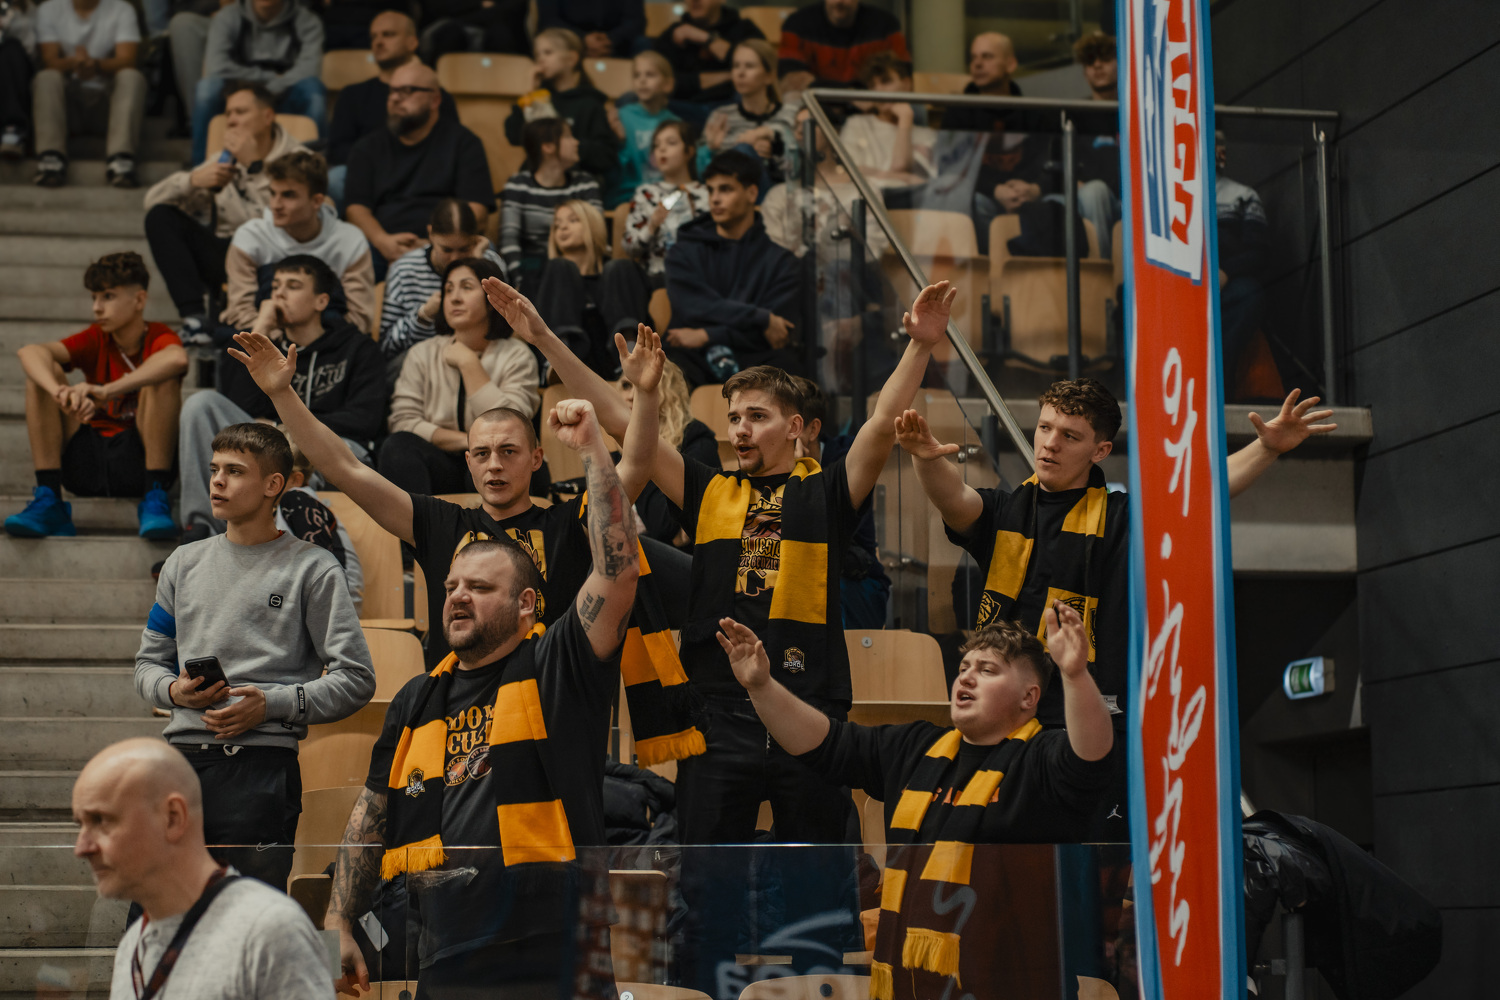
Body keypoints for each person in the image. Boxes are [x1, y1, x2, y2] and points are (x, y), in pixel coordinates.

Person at [481, 276, 958, 993]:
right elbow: (619, 417)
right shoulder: (709, 490)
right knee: (705, 905)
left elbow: (883, 420)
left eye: (757, 416)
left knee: (819, 899)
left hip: (808, 716)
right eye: (733, 416)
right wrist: (543, 338)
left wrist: (919, 346)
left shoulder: (826, 491)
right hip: (718, 720)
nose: (739, 429)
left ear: (796, 428)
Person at [897, 377, 1338, 838]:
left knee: (1087, 858)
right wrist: (925, 458)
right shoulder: (1006, 511)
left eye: (1070, 436)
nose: (1050, 443)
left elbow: (1196, 495)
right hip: (1003, 723)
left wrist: (1266, 448)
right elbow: (955, 500)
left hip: (1083, 728)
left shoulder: (1122, 518)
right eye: (1045, 428)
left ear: (1101, 450)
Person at [324, 450, 642, 998]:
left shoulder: (560, 664)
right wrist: (338, 919)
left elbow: (619, 572)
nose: (458, 597)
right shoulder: (417, 698)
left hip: (555, 939)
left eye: (479, 587)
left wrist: (593, 447)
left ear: (526, 604)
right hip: (445, 942)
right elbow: (373, 813)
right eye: (451, 587)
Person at [717, 603, 1113, 998]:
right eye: (964, 667)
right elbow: (824, 743)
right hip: (911, 986)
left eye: (987, 670)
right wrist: (762, 687)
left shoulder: (1042, 758)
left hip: (1016, 986)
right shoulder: (914, 748)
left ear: (1029, 697)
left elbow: (1091, 756)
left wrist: (1075, 676)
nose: (967, 677)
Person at [135, 421, 376, 890]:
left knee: (247, 919)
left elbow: (357, 678)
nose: (217, 482)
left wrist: (271, 704)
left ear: (273, 484)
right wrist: (175, 692)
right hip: (181, 764)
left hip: (261, 769)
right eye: (214, 469)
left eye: (235, 471)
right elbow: (147, 664)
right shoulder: (182, 563)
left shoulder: (314, 568)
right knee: (158, 916)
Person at [74, 739, 335, 1000]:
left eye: (102, 821)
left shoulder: (270, 930)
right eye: (80, 824)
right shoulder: (132, 945)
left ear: (173, 817)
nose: (81, 847)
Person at [179, 255, 385, 542]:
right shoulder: (269, 350)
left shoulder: (357, 348)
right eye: (275, 286)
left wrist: (284, 427)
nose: (279, 294)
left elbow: (365, 418)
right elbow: (239, 406)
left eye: (293, 286)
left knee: (299, 453)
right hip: (273, 446)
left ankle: (285, 527)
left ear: (321, 301)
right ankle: (200, 532)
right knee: (200, 405)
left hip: (337, 446)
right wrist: (261, 328)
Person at [6, 252, 186, 540]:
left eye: (108, 297)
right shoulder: (96, 337)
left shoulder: (158, 336)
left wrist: (107, 390)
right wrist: (59, 392)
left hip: (138, 462)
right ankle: (49, 498)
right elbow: (29, 352)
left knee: (162, 375)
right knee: (43, 372)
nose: (97, 308)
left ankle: (155, 497)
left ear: (139, 300)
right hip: (87, 461)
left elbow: (177, 359)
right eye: (94, 298)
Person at [143, 82, 308, 343]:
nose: (230, 120)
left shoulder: (300, 159)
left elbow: (284, 222)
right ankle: (195, 319)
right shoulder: (224, 158)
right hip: (228, 254)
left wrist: (254, 167)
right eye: (228, 113)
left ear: (267, 116)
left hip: (277, 256)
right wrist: (193, 181)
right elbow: (150, 201)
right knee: (160, 217)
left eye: (240, 112)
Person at [381, 256, 541, 497]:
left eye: (466, 287)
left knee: (495, 462)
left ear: (491, 300)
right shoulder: (422, 353)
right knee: (397, 447)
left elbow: (512, 427)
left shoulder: (516, 355)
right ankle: (414, 524)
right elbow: (403, 421)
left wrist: (469, 364)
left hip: (498, 464)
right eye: (448, 290)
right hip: (439, 464)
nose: (454, 298)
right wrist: (470, 443)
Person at [661, 149, 802, 385]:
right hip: (692, 356)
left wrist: (707, 334)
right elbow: (692, 308)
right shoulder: (682, 251)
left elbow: (779, 333)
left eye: (725, 189)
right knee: (668, 368)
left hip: (753, 356)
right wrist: (760, 317)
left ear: (752, 193)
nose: (715, 199)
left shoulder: (782, 262)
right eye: (711, 190)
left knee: (789, 370)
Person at [345, 60, 494, 277]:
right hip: (382, 245)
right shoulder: (367, 147)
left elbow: (477, 211)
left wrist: (436, 244)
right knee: (350, 253)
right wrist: (383, 241)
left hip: (448, 245)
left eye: (406, 91)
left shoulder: (464, 143)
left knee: (488, 255)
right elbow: (356, 208)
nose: (395, 98)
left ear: (435, 100)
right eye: (392, 91)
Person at [222, 150, 377, 336]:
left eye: (288, 195)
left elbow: (360, 318)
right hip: (267, 338)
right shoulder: (250, 237)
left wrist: (313, 344)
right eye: (273, 193)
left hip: (331, 343)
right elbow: (240, 310)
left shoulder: (350, 240)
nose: (276, 205)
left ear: (317, 201)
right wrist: (283, 342)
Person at [326, 12, 458, 206]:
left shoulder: (433, 95)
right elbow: (337, 149)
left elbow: (451, 144)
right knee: (336, 178)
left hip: (421, 172)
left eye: (388, 34)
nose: (378, 42)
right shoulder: (352, 94)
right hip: (366, 173)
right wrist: (379, 162)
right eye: (373, 37)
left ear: (412, 42)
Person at [792, 376, 890, 628]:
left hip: (855, 582)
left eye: (792, 425)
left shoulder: (848, 462)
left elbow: (824, 539)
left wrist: (797, 475)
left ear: (812, 430)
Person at [943, 32, 1047, 254]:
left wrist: (1033, 189)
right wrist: (995, 189)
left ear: (1010, 64)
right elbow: (951, 168)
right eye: (973, 57)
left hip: (1028, 194)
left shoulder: (1035, 112)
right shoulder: (957, 112)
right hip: (984, 195)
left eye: (987, 56)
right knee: (975, 202)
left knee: (1059, 204)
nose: (977, 64)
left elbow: (1047, 163)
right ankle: (991, 272)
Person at [187, 0, 326, 166]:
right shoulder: (227, 17)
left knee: (313, 91)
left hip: (286, 91)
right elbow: (217, 66)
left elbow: (309, 69)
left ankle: (314, 168)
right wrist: (267, 79)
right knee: (206, 89)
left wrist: (272, 87)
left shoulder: (308, 21)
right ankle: (199, 166)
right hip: (239, 91)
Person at [379, 197, 506, 373]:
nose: (455, 258)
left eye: (464, 249)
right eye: (446, 250)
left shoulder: (490, 263)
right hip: (423, 364)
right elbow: (386, 348)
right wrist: (423, 316)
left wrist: (476, 266)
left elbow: (502, 326)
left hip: (480, 355)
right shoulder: (404, 270)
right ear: (430, 234)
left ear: (476, 238)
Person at [31, 0, 145, 188]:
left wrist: (96, 65)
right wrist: (75, 63)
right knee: (46, 77)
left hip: (106, 104)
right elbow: (49, 61)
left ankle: (121, 159)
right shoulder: (49, 9)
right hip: (68, 105)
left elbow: (128, 59)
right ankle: (50, 157)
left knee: (131, 76)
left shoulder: (122, 9)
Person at [534, 198, 650, 378]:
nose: (562, 228)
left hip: (614, 363)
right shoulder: (544, 274)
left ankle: (632, 357)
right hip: (569, 368)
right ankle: (557, 360)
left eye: (573, 220)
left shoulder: (618, 273)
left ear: (592, 225)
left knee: (620, 266)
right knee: (559, 266)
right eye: (557, 225)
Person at [618, 358, 717, 548]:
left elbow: (663, 525)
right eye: (625, 385)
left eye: (640, 386)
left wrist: (641, 455)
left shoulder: (697, 442)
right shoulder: (619, 448)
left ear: (668, 394)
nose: (630, 396)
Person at [498, 117, 603, 292]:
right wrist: (519, 281)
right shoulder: (519, 185)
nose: (576, 142)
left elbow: (596, 231)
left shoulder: (585, 183)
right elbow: (509, 238)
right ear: (548, 146)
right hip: (532, 272)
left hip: (579, 266)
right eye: (568, 136)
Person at [503, 28, 618, 183]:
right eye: (537, 54)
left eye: (548, 52)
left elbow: (605, 156)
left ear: (571, 59)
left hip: (577, 183)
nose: (540, 60)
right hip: (538, 181)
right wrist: (530, 93)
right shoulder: (539, 99)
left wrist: (568, 146)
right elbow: (514, 136)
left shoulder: (590, 103)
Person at [279, 435, 364, 613]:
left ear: (296, 479)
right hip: (332, 601)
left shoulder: (296, 499)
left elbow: (320, 566)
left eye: (274, 476)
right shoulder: (297, 501)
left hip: (335, 604)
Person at [700, 38, 799, 188]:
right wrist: (712, 151)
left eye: (749, 66)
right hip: (732, 195)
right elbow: (702, 173)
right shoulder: (721, 116)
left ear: (769, 76)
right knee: (743, 150)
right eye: (736, 66)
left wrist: (774, 145)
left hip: (779, 193)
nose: (740, 73)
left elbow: (801, 166)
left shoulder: (791, 113)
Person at [1216, 130, 1272, 392]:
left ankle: (1219, 381)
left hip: (1226, 287)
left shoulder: (1242, 195)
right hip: (1177, 285)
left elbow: (1259, 252)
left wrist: (1226, 272)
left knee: (1249, 295)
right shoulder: (1166, 197)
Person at [620, 119, 710, 280]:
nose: (662, 149)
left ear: (689, 151)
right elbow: (629, 248)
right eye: (656, 145)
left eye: (671, 143)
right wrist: (651, 227)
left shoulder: (707, 194)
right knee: (618, 268)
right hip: (655, 276)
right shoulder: (645, 194)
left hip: (697, 274)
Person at [653, 0, 764, 119]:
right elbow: (667, 82)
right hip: (680, 111)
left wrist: (707, 39)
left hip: (731, 109)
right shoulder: (674, 33)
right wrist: (729, 75)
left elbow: (762, 68)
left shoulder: (744, 29)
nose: (695, 1)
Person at [776, 0, 909, 95]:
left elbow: (904, 78)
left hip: (872, 106)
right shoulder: (797, 24)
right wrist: (851, 94)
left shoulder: (885, 25)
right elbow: (790, 80)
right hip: (816, 104)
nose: (839, 2)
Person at [605, 50, 680, 207]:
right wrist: (620, 142)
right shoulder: (621, 117)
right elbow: (612, 168)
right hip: (627, 196)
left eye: (650, 75)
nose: (642, 80)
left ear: (668, 84)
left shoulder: (675, 123)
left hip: (664, 195)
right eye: (637, 75)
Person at [1071, 31, 1121, 258]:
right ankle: (1103, 270)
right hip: (1087, 200)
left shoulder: (1139, 112)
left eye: (1106, 58)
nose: (1098, 65)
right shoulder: (1074, 114)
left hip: (1132, 201)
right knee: (1094, 191)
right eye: (1091, 61)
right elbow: (1057, 166)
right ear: (1084, 72)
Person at [418, 0, 527, 65]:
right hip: (448, 24)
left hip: (498, 24)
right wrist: (478, 4)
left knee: (501, 34)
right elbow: (437, 6)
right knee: (450, 34)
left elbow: (514, 6)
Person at [536, 0, 645, 58]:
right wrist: (582, 39)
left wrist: (611, 39)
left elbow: (636, 21)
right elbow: (548, 20)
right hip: (570, 43)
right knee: (548, 42)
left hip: (616, 44)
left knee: (642, 43)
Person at [0, 0, 38, 160]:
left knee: (12, 48)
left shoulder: (32, 11)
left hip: (20, 74)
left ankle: (14, 130)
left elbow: (33, 51)